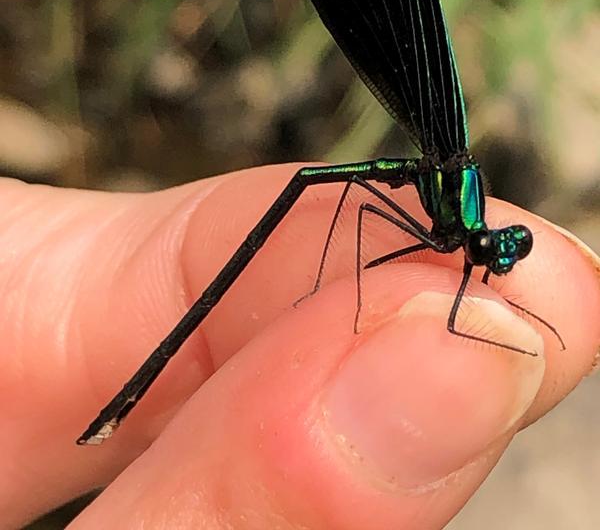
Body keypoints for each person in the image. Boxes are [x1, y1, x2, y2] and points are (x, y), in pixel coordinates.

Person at [2, 163, 599, 529]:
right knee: (348, 202)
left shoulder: (462, 221)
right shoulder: (455, 211)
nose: (487, 263)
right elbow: (446, 320)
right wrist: (356, 308)